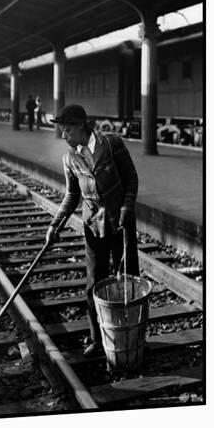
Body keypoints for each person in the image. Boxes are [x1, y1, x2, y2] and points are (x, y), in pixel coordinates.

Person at [45, 104, 140, 357]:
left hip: (121, 222)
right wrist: (56, 224)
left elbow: (131, 177)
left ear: (80, 126)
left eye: (66, 130)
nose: (63, 135)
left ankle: (132, 337)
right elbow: (72, 196)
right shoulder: (69, 158)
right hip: (93, 226)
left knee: (128, 280)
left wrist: (126, 208)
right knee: (93, 285)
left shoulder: (111, 144)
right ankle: (98, 340)